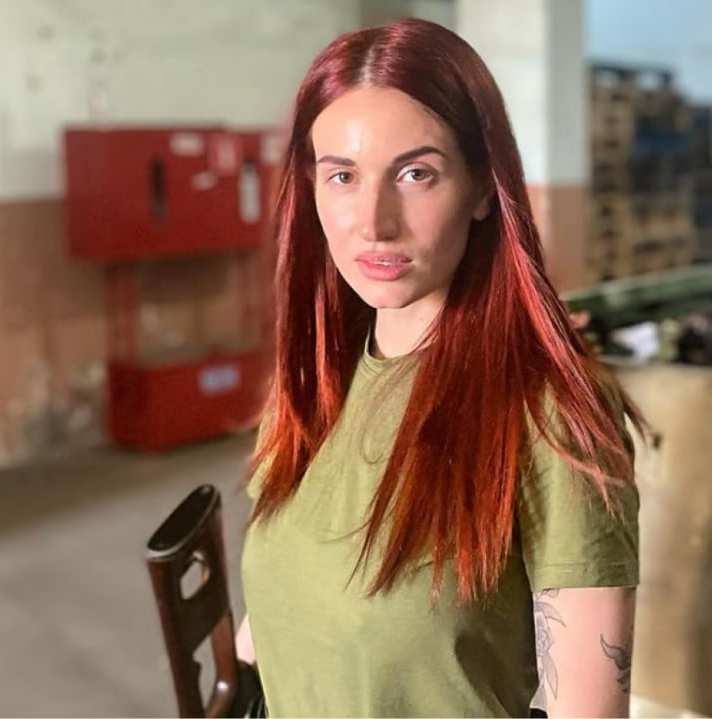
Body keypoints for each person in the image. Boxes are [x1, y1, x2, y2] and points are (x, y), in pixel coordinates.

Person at [234, 17, 642, 718]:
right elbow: (277, 608)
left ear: (483, 187)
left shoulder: (550, 410)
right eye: (342, 176)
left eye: (415, 174)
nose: (374, 221)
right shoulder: (320, 377)